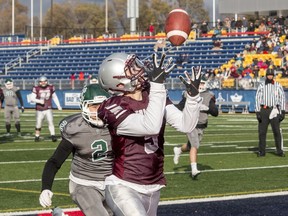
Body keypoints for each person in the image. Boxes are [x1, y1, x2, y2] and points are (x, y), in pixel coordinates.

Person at [97, 52, 202, 216]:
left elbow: (186, 125)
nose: (139, 69)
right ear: (118, 82)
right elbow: (150, 126)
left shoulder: (151, 96)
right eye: (132, 69)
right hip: (124, 185)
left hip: (153, 186)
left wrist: (193, 97)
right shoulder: (113, 107)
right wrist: (158, 86)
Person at [39, 84, 113, 216]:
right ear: (84, 106)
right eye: (94, 106)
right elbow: (54, 161)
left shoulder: (118, 125)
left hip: (112, 182)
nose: (98, 110)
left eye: (102, 105)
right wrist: (45, 188)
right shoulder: (75, 129)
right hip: (84, 183)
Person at [173, 78, 219, 179]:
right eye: (200, 83)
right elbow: (180, 106)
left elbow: (215, 112)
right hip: (191, 123)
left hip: (202, 124)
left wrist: (209, 109)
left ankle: (179, 150)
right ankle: (194, 169)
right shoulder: (188, 94)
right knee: (195, 145)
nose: (201, 85)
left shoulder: (209, 95)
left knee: (191, 145)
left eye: (202, 83)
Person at [255, 68, 286, 157]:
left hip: (274, 110)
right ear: (266, 75)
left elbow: (282, 97)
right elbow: (258, 98)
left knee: (276, 131)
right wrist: (257, 111)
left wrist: (283, 111)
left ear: (273, 76)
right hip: (264, 110)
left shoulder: (277, 85)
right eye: (268, 75)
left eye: (271, 75)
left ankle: (279, 151)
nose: (270, 76)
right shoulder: (261, 85)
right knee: (262, 132)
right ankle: (261, 151)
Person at [30, 76, 62, 142]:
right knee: (38, 124)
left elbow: (54, 97)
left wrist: (58, 105)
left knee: (50, 122)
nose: (43, 83)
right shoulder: (36, 88)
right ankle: (37, 136)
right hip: (39, 109)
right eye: (42, 82)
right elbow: (32, 98)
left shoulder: (50, 87)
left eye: (45, 81)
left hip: (48, 108)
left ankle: (53, 135)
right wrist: (39, 101)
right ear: (39, 82)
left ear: (47, 81)